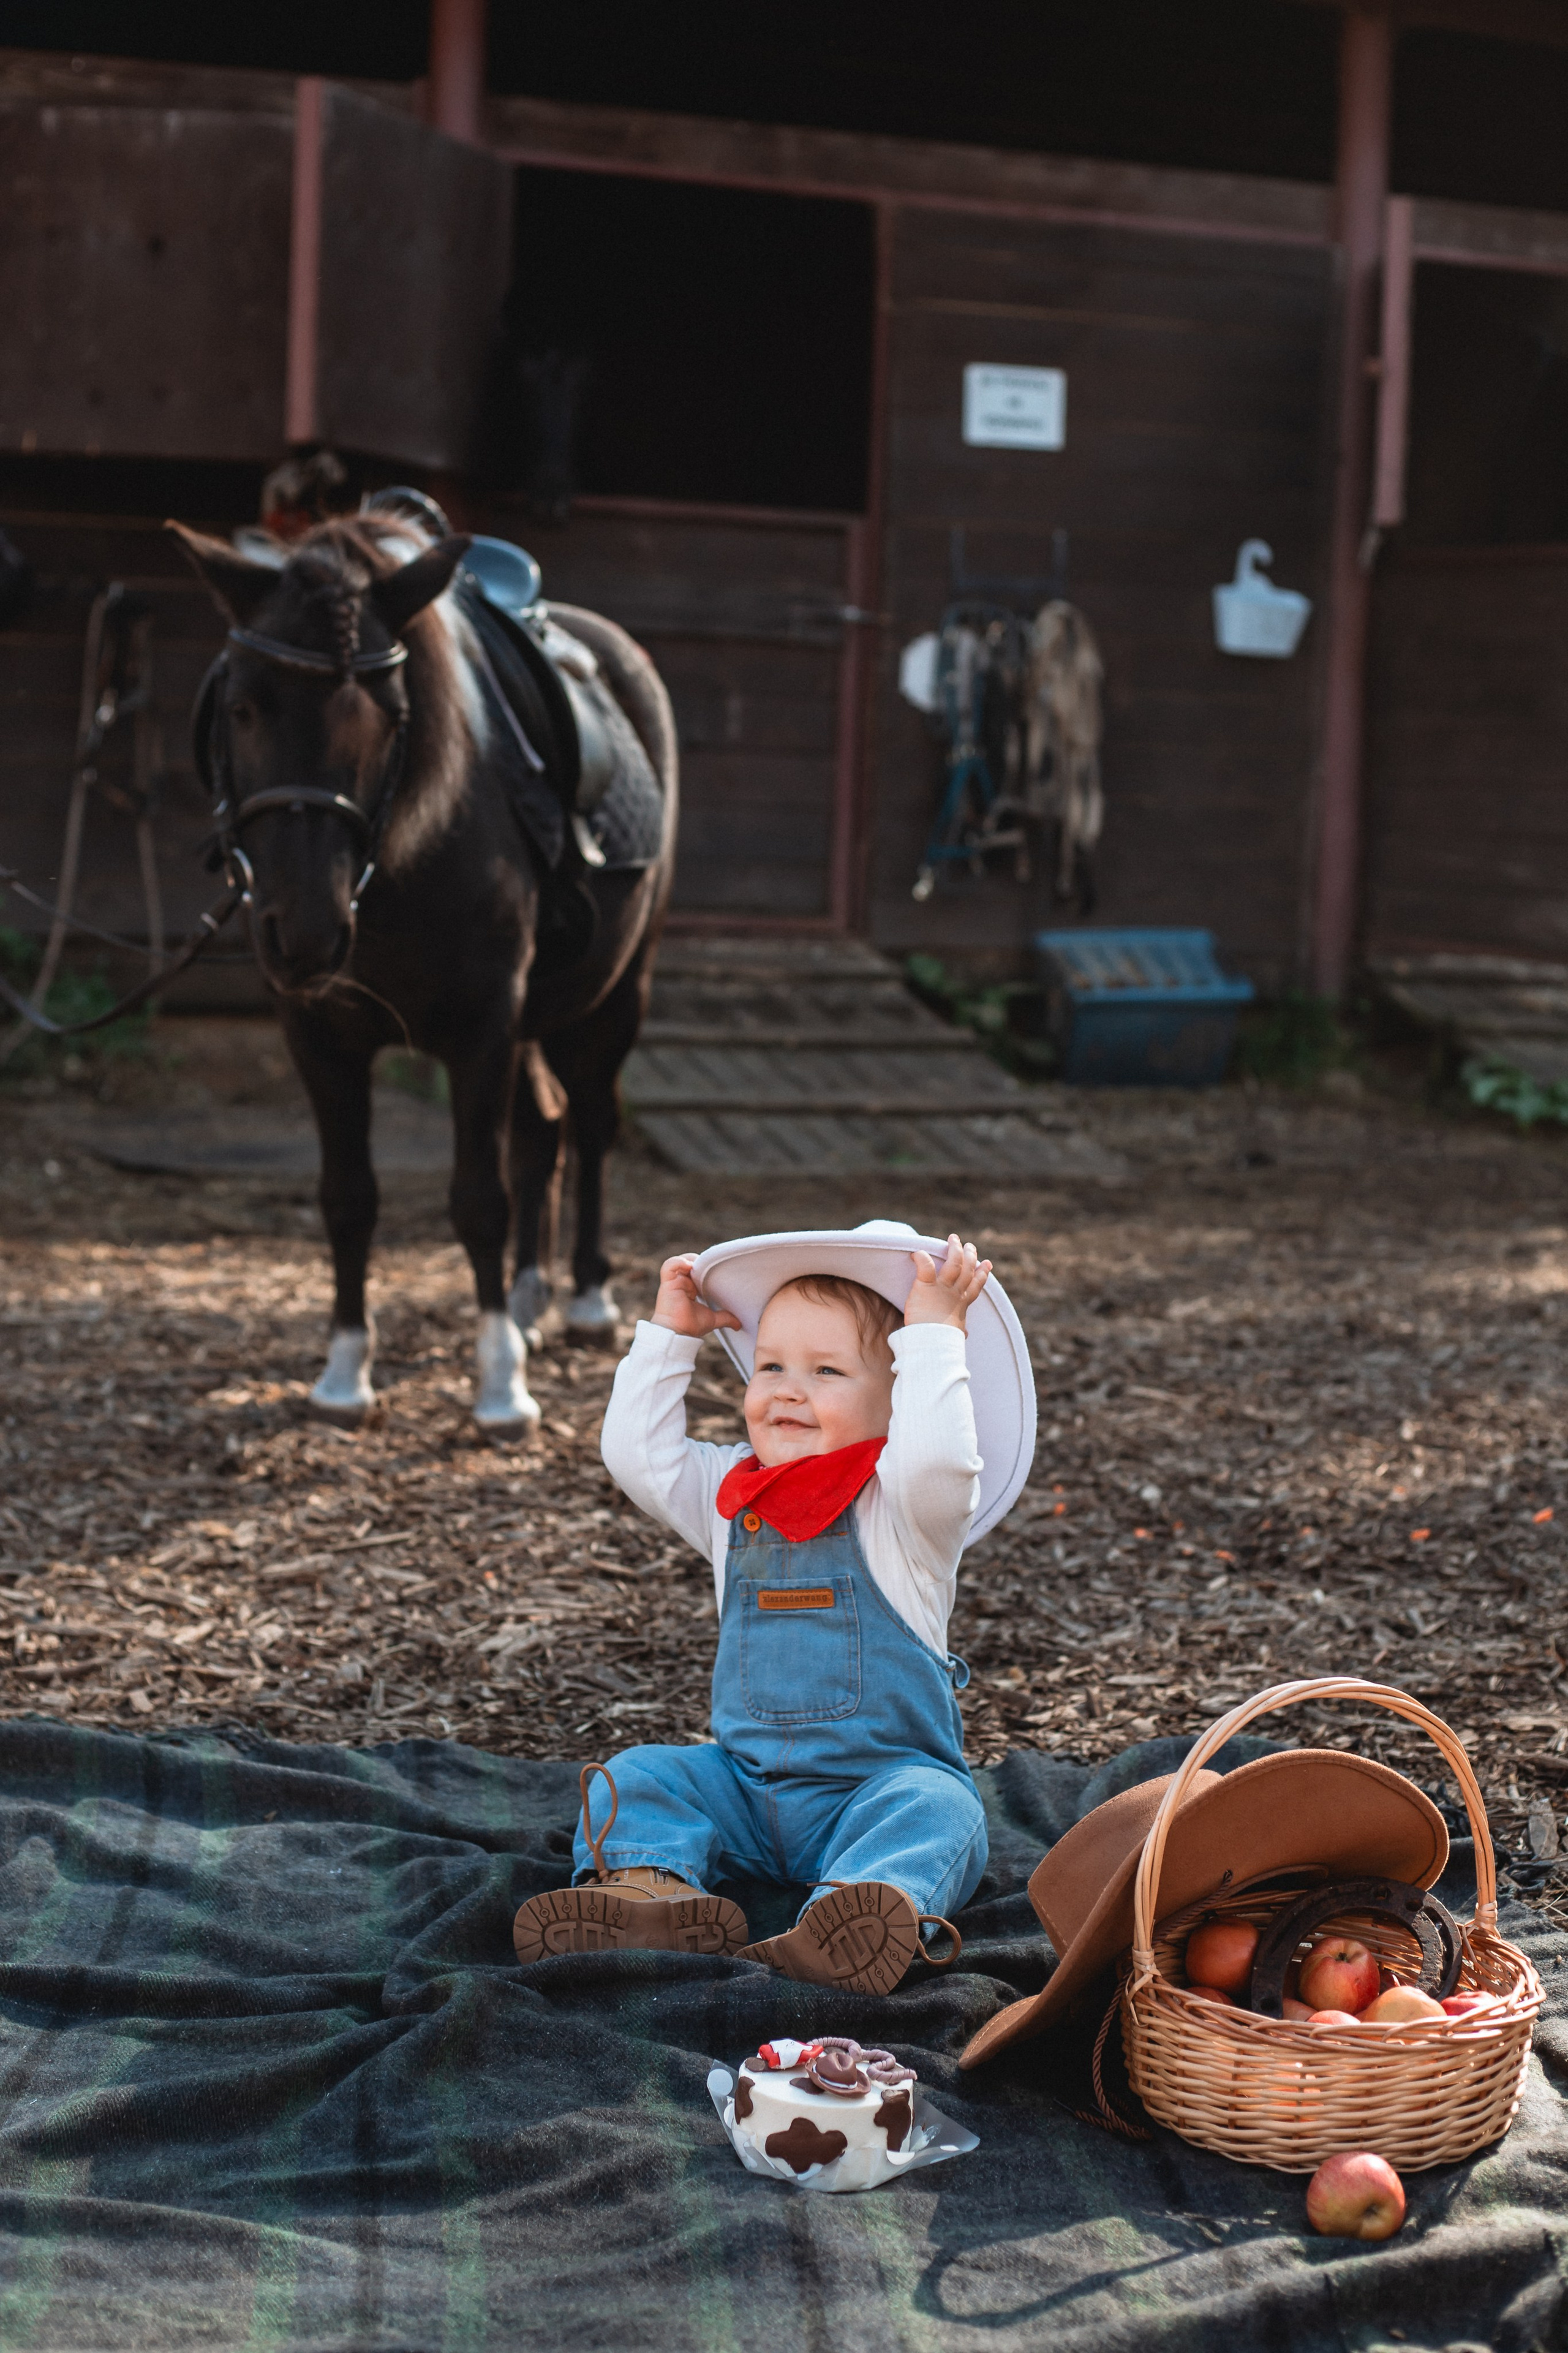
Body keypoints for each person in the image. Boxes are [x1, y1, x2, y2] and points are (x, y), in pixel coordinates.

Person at [513, 1226, 1009, 1997]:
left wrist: (935, 1333)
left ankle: (850, 1915)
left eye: (826, 1371)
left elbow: (939, 1459)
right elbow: (638, 1457)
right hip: (743, 1791)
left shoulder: (905, 1513)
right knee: (640, 1772)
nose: (785, 1387)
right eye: (771, 1364)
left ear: (898, 1398)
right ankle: (652, 1891)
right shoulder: (730, 1497)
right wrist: (669, 1340)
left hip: (872, 1790)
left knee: (940, 1807)